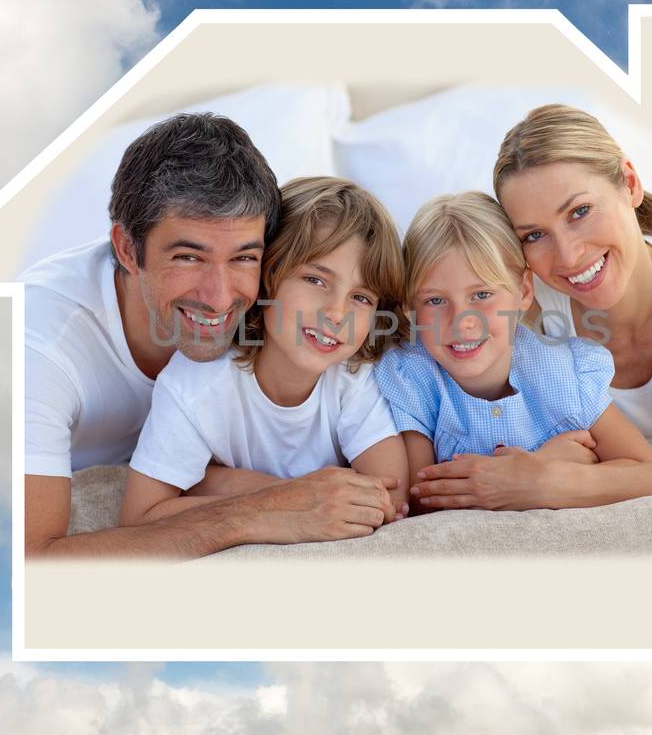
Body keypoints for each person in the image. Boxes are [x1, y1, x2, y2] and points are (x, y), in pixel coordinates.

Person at [22, 113, 399, 558]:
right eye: (188, 257)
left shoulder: (284, 322)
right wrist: (262, 509)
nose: (220, 299)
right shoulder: (40, 347)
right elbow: (32, 561)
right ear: (126, 249)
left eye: (243, 258)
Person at [408, 104, 652, 510]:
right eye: (535, 234)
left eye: (580, 212)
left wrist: (562, 483)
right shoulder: (521, 303)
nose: (569, 256)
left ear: (630, 183)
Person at [121, 177, 410, 531]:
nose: (337, 313)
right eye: (315, 280)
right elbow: (139, 517)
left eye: (361, 298)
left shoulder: (354, 376)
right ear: (267, 277)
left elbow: (392, 500)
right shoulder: (195, 385)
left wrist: (218, 483)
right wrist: (286, 497)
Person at [375, 191, 652, 512]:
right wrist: (541, 464)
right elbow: (418, 498)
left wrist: (544, 477)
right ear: (411, 307)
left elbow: (641, 466)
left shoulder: (565, 372)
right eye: (435, 301)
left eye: (481, 294)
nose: (462, 322)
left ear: (523, 291)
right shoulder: (411, 375)